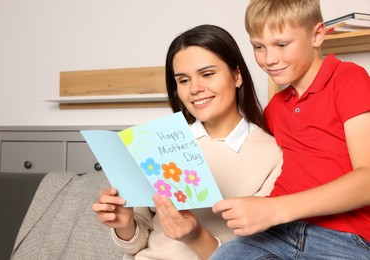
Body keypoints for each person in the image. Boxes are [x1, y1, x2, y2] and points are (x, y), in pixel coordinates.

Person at [92, 24, 282, 260]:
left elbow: (264, 254)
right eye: (183, 80)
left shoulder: (274, 155)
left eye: (207, 74)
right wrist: (124, 224)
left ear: (237, 75)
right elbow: (135, 243)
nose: (195, 89)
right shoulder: (156, 142)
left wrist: (196, 237)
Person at [211, 0, 370, 259]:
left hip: (343, 238)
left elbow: (367, 181)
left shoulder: (348, 79)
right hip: (276, 233)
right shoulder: (275, 107)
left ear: (317, 35)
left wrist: (275, 209)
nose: (269, 59)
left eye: (282, 45)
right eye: (258, 47)